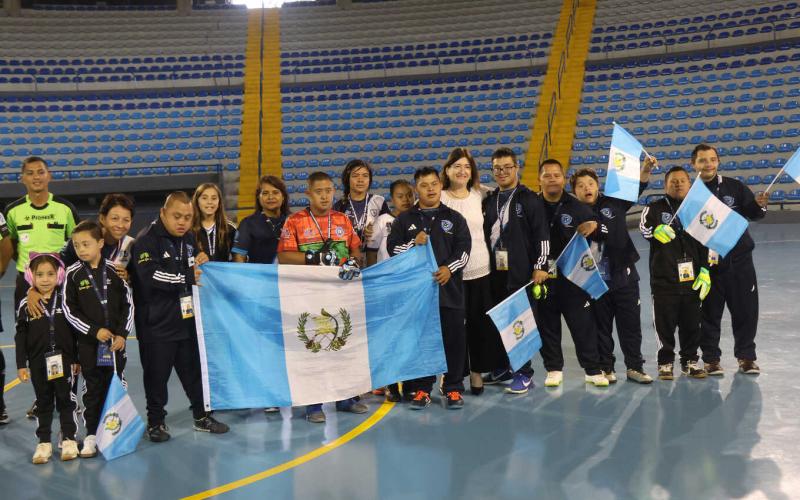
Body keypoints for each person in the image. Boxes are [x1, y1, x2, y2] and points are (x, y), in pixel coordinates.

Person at [130, 192, 228, 442]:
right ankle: (156, 423)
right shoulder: (145, 241)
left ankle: (202, 416)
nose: (182, 222)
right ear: (163, 213)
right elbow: (149, 277)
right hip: (156, 326)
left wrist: (201, 259)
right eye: (177, 216)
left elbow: (192, 268)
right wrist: (185, 277)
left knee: (194, 373)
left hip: (185, 323)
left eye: (187, 217)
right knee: (156, 379)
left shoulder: (188, 239)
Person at [277, 172, 368, 423]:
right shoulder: (295, 221)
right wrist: (314, 258)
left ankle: (345, 397)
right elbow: (284, 257)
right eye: (319, 191)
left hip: (341, 293)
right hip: (308, 296)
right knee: (313, 347)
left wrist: (354, 261)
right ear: (308, 193)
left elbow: (356, 250)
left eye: (329, 190)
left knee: (343, 344)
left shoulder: (342, 219)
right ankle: (313, 404)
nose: (325, 195)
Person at [387, 166, 471, 410]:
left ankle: (454, 388)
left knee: (454, 341)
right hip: (418, 295)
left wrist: (449, 269)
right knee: (423, 341)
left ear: (440, 186)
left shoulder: (454, 218)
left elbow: (464, 251)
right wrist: (414, 243)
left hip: (450, 292)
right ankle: (422, 388)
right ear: (416, 189)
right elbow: (394, 250)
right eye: (424, 185)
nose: (430, 188)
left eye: (434, 183)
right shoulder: (404, 220)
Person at [2, 156, 79, 420]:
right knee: (36, 341)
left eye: (41, 172)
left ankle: (69, 395)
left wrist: (56, 276)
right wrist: (31, 277)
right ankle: (41, 397)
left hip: (62, 283)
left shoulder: (65, 208)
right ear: (22, 178)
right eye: (30, 173)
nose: (36, 177)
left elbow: (77, 243)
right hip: (28, 284)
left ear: (49, 176)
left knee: (67, 339)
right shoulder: (12, 211)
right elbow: (10, 247)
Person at [571, 163, 654, 384]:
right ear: (575, 192)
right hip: (593, 279)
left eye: (590, 183)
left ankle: (634, 367)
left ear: (597, 186)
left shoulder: (614, 202)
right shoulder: (572, 212)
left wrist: (645, 169)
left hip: (623, 275)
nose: (586, 188)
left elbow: (639, 186)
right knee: (601, 327)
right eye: (580, 186)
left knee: (630, 325)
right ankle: (606, 368)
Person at [690, 144, 769, 375]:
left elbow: (754, 213)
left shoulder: (734, 186)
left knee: (746, 310)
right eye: (703, 160)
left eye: (712, 159)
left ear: (718, 161)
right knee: (709, 313)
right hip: (708, 265)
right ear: (693, 164)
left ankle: (746, 357)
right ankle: (711, 359)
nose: (708, 164)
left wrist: (760, 206)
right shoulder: (691, 193)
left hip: (739, 261)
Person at [481, 147, 550, 394]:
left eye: (507, 167)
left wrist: (541, 266)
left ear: (516, 167)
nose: (502, 172)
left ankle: (524, 373)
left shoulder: (529, 199)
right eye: (497, 168)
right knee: (500, 321)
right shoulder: (489, 201)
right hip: (496, 272)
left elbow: (542, 235)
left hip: (522, 273)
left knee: (520, 321)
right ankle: (502, 367)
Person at [63, 220, 133, 458]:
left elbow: (128, 305)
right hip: (89, 345)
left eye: (86, 244)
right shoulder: (72, 275)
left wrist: (122, 334)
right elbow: (69, 310)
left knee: (116, 383)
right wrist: (94, 331)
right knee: (92, 389)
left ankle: (115, 430)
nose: (81, 249)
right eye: (76, 245)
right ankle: (92, 434)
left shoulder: (115, 271)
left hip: (114, 345)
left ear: (100, 243)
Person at [537, 159, 608, 387]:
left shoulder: (575, 206)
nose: (552, 179)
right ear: (540, 179)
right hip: (543, 275)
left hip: (573, 276)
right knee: (548, 325)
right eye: (547, 175)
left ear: (564, 179)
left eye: (556, 175)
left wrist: (594, 225)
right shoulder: (532, 205)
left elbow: (597, 222)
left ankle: (592, 369)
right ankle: (554, 369)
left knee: (582, 324)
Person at [639, 166, 710, 380]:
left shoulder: (699, 210)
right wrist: (654, 231)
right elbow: (644, 228)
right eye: (673, 181)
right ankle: (665, 362)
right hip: (664, 280)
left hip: (693, 279)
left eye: (682, 181)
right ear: (665, 185)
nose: (678, 184)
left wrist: (705, 269)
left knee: (692, 324)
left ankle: (690, 361)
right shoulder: (654, 208)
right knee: (664, 325)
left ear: (689, 184)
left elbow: (707, 242)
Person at [438, 148, 494, 395]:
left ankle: (476, 372)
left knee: (479, 326)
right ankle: (450, 374)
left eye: (467, 167)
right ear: (447, 170)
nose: (462, 171)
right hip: (451, 275)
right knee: (451, 328)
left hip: (480, 271)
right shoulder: (437, 197)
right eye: (457, 166)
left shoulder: (480, 195)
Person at [15, 253, 79, 463]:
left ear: (59, 275)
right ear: (31, 276)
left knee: (65, 400)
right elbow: (21, 335)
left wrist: (76, 358)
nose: (45, 279)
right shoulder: (26, 303)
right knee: (43, 402)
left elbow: (75, 331)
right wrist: (21, 364)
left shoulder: (66, 298)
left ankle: (69, 438)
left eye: (50, 274)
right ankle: (44, 442)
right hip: (38, 361)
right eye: (39, 274)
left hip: (64, 360)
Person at [364, 179, 414, 402]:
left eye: (408, 195)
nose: (405, 199)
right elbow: (372, 251)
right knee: (389, 336)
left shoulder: (418, 218)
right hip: (387, 286)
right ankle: (391, 386)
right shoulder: (384, 221)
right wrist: (374, 279)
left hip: (411, 286)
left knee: (409, 336)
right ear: (391, 199)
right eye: (400, 196)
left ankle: (412, 384)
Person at [333, 159, 390, 258]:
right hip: (349, 259)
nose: (360, 180)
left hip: (375, 258)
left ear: (370, 179)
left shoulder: (379, 202)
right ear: (347, 179)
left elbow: (389, 231)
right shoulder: (339, 207)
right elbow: (336, 238)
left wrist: (376, 232)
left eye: (365, 176)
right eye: (355, 176)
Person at [232, 175, 290, 264]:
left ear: (283, 196)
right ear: (258, 197)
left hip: (286, 276)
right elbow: (239, 258)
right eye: (265, 193)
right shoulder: (248, 224)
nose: (270, 197)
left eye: (275, 192)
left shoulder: (293, 221)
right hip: (258, 277)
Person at [192, 183, 237, 262]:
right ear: (197, 201)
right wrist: (194, 260)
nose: (209, 202)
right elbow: (182, 259)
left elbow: (239, 258)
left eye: (214, 198)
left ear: (219, 202)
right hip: (198, 274)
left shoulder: (230, 228)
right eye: (204, 198)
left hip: (223, 274)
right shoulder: (189, 229)